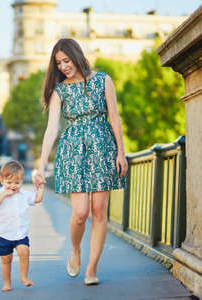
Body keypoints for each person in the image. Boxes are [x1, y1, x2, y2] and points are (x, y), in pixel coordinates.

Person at [33, 38, 128, 285]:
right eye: (59, 63)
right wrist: (41, 164)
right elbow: (51, 129)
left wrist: (121, 152)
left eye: (67, 60)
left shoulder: (103, 80)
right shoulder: (60, 91)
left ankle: (91, 269)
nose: (64, 66)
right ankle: (75, 250)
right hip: (72, 151)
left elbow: (114, 118)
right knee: (80, 213)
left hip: (103, 148)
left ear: (77, 56)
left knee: (99, 210)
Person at [0, 160, 44, 292]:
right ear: (2, 181)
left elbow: (37, 199)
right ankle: (7, 283)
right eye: (9, 183)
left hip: (20, 234)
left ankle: (24, 277)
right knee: (6, 259)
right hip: (4, 234)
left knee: (24, 251)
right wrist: (4, 194)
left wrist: (40, 188)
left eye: (17, 183)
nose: (13, 186)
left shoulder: (24, 194)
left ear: (21, 182)